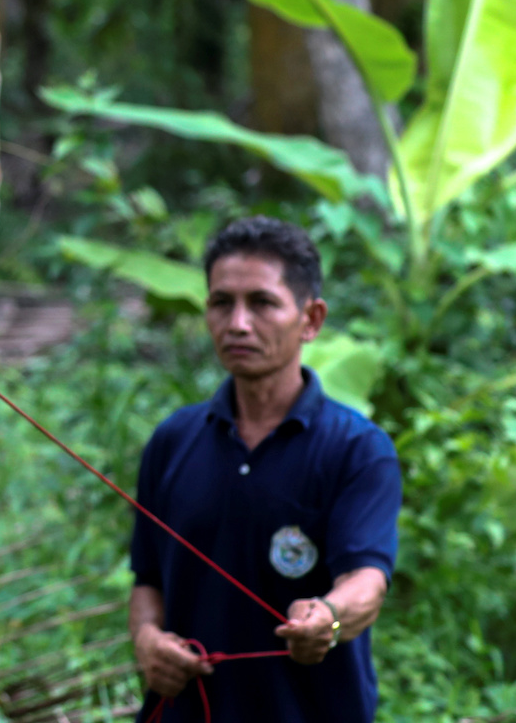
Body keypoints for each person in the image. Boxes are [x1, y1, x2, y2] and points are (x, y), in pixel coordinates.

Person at [128, 216, 402, 722]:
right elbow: (147, 580)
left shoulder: (357, 449)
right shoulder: (172, 441)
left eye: (262, 303)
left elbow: (367, 581)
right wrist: (147, 640)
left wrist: (329, 618)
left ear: (311, 319)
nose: (237, 323)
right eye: (220, 303)